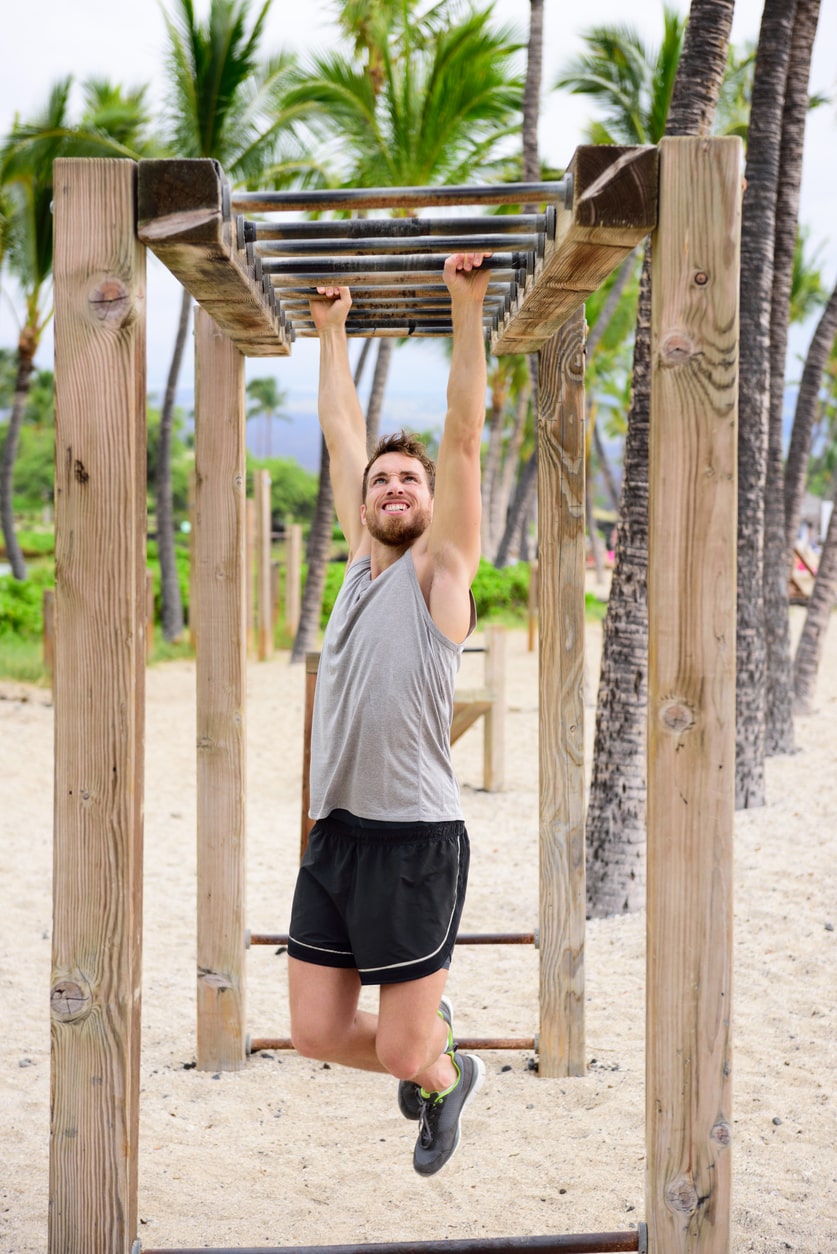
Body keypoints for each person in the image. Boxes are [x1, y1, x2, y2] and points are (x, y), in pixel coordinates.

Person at [286, 252, 492, 1177]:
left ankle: (442, 1069)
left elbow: (462, 436)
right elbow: (339, 433)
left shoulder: (437, 575)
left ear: (430, 502)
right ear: (362, 503)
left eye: (408, 480)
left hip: (415, 841)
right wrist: (330, 329)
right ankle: (428, 1044)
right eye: (381, 481)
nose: (394, 487)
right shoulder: (357, 572)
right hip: (336, 836)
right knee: (312, 1033)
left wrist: (465, 304)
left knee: (407, 1059)